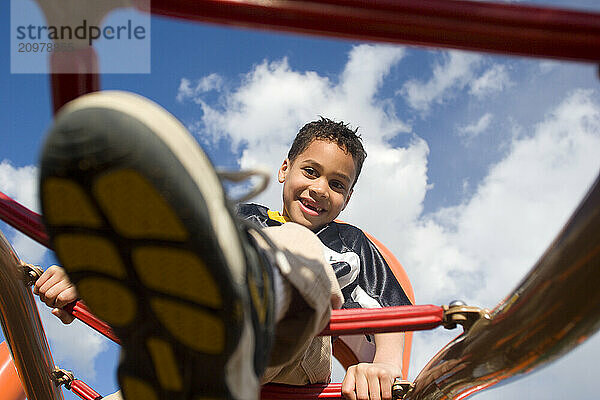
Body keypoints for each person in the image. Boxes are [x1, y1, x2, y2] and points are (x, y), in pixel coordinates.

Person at [34, 91, 411, 400]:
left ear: (348, 197)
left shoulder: (348, 242)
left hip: (299, 355)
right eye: (310, 172)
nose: (319, 189)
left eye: (337, 184)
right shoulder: (241, 215)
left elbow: (396, 314)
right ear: (285, 169)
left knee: (294, 242)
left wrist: (387, 366)